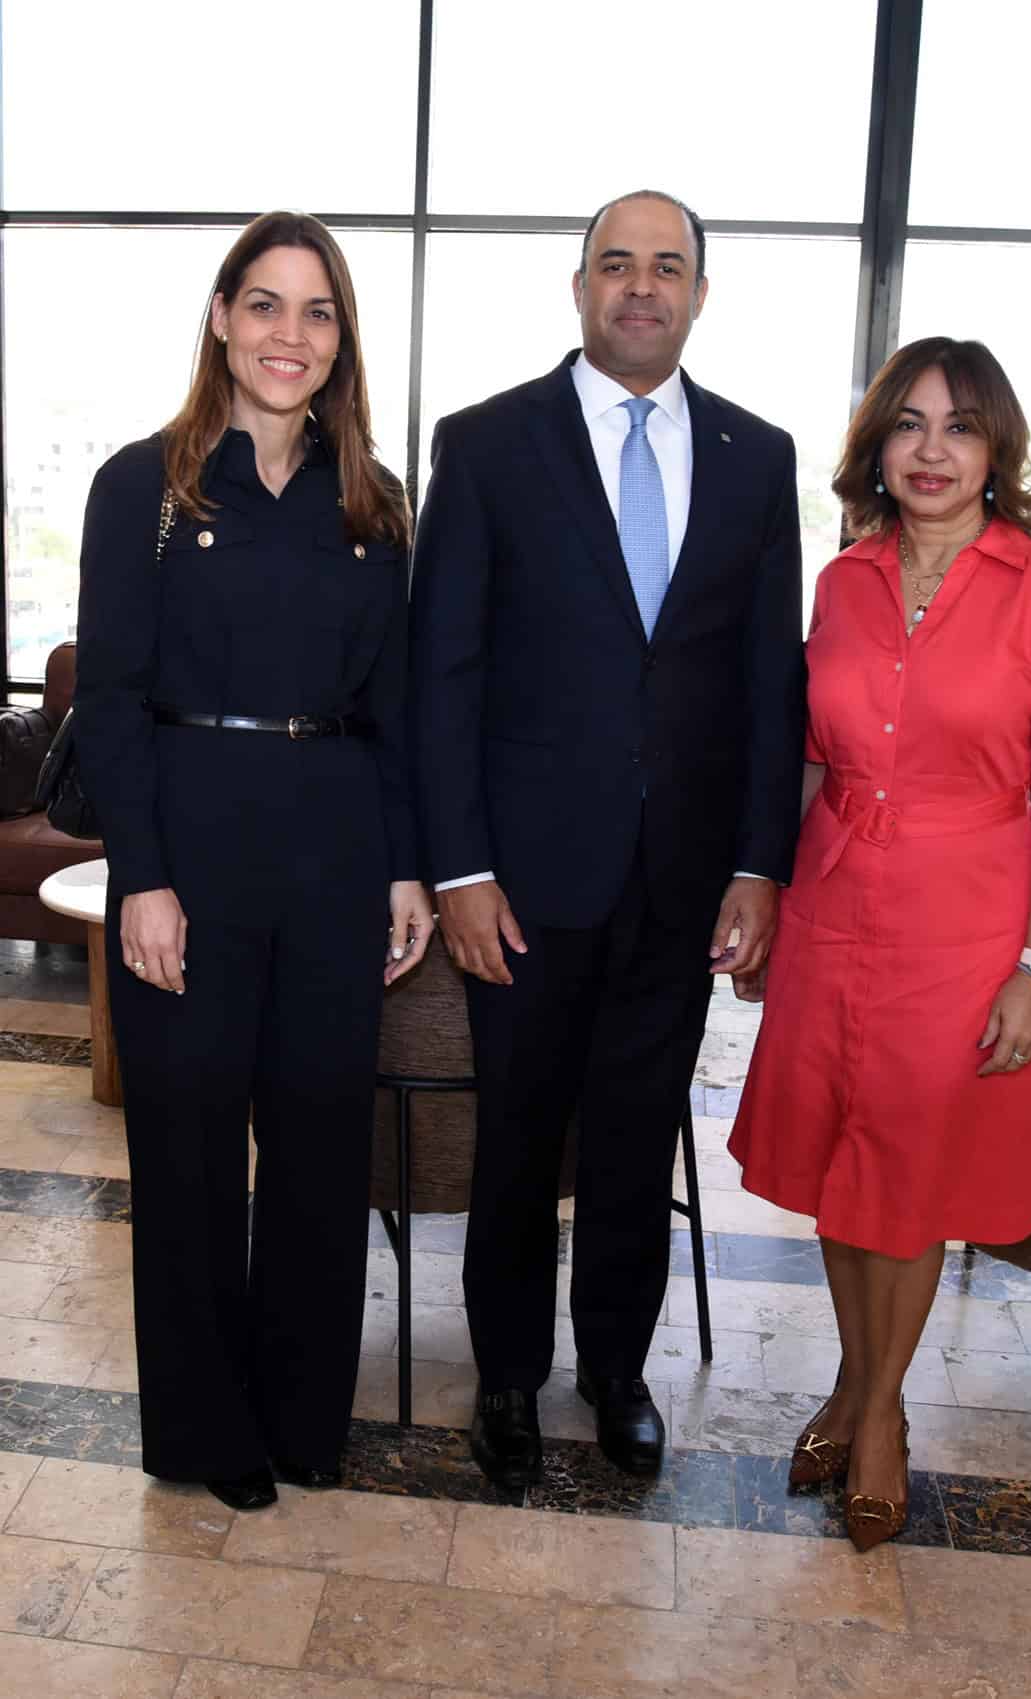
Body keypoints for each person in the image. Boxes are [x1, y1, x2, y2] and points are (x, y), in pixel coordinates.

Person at [410, 190, 804, 1486]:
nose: (641, 286)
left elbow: (767, 684)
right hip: (519, 881)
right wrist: (457, 865)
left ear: (698, 293)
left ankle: (616, 1374)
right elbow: (443, 673)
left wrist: (758, 860)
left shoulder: (757, 455)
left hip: (682, 882)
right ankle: (510, 1380)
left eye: (667, 266)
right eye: (616, 264)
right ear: (577, 286)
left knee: (637, 1135)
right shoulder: (485, 444)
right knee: (518, 1133)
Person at [729, 336, 1031, 1550]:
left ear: (996, 446)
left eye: (958, 426)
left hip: (969, 918)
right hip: (838, 903)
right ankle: (855, 1379)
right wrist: (772, 895)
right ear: (878, 448)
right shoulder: (843, 581)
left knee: (908, 1176)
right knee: (847, 1165)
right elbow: (810, 756)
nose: (933, 449)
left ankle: (881, 1413)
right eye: (908, 424)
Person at [73, 211, 433, 1512]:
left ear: (342, 341)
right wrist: (144, 877)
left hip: (335, 848)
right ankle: (203, 1427)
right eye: (266, 304)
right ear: (222, 317)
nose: (291, 335)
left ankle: (299, 1416)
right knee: (184, 1149)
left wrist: (403, 868)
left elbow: (395, 709)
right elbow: (109, 701)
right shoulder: (145, 487)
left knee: (322, 1148)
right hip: (193, 846)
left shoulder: (373, 503)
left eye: (318, 310)